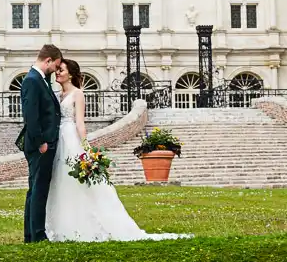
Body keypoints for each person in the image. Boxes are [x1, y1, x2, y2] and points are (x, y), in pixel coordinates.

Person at [46, 56, 188, 242]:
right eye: (58, 70)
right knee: (61, 180)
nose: (58, 73)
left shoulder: (77, 94)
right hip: (59, 137)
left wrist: (86, 148)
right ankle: (63, 223)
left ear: (71, 75)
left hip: (71, 138)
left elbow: (80, 123)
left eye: (61, 70)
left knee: (77, 180)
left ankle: (87, 224)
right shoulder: (58, 94)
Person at [18, 43, 63, 243]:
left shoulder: (40, 80)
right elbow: (31, 115)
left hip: (43, 142)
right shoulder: (32, 80)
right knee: (39, 189)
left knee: (34, 188)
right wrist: (41, 142)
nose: (55, 70)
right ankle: (37, 234)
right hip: (40, 144)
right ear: (48, 61)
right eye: (55, 66)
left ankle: (31, 234)